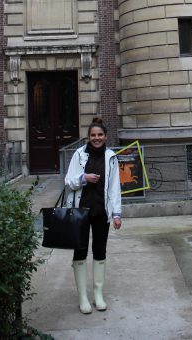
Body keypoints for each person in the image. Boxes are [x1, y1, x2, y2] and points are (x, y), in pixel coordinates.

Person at [65, 117, 122, 314]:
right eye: (93, 135)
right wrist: (83, 178)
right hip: (80, 212)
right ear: (88, 137)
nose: (96, 138)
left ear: (105, 137)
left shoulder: (111, 157)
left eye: (100, 135)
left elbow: (115, 188)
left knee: (100, 251)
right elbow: (68, 181)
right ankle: (83, 297)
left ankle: (98, 295)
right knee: (80, 252)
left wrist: (116, 214)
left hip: (101, 212)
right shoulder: (79, 155)